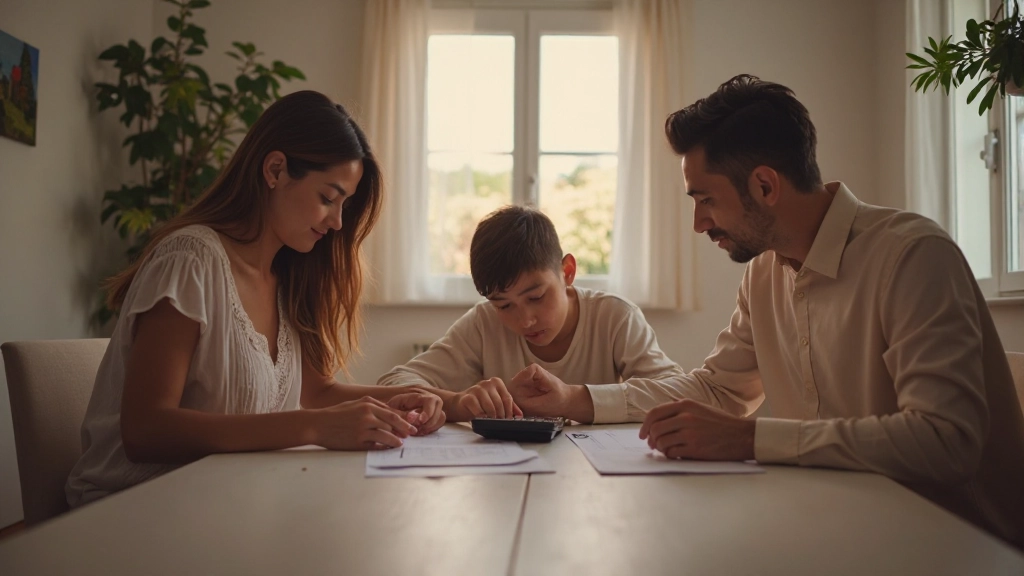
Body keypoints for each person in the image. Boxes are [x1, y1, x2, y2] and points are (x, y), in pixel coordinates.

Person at [634, 74, 1023, 547]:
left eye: (706, 200)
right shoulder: (763, 275)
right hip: (837, 526)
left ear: (764, 185)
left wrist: (748, 440)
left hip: (956, 546)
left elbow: (944, 441)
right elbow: (718, 389)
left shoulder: (913, 256)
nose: (699, 224)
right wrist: (578, 400)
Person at [67, 90, 445, 507]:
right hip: (134, 506)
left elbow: (319, 394)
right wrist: (313, 427)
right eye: (327, 198)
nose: (338, 222)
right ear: (275, 169)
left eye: (345, 205)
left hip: (230, 500)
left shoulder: (287, 279)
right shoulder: (190, 261)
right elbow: (145, 431)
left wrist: (442, 403)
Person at [377, 205, 686, 424]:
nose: (524, 320)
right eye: (504, 305)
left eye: (536, 297)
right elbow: (393, 382)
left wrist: (574, 399)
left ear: (567, 272)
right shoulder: (484, 323)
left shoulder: (616, 317)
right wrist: (457, 401)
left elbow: (679, 392)